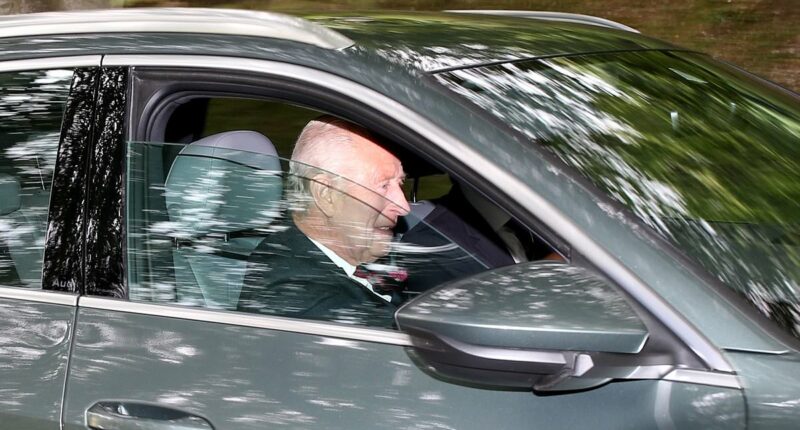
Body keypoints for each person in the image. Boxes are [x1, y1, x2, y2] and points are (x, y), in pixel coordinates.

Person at [237, 116, 410, 327]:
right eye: (383, 186)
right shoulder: (298, 299)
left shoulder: (336, 254)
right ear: (326, 194)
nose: (403, 206)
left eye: (399, 183)